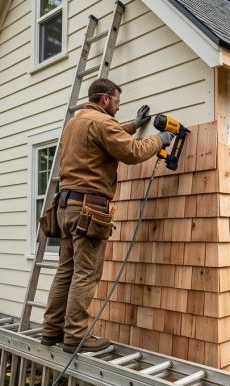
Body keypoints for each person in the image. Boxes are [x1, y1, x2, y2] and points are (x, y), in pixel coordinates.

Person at [41, 78, 174, 353]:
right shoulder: (102, 123)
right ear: (105, 99)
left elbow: (106, 136)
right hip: (88, 208)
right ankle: (75, 336)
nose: (117, 106)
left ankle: (51, 331)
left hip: (64, 207)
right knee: (86, 272)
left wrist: (134, 126)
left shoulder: (75, 123)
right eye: (116, 101)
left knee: (66, 270)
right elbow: (132, 152)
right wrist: (159, 138)